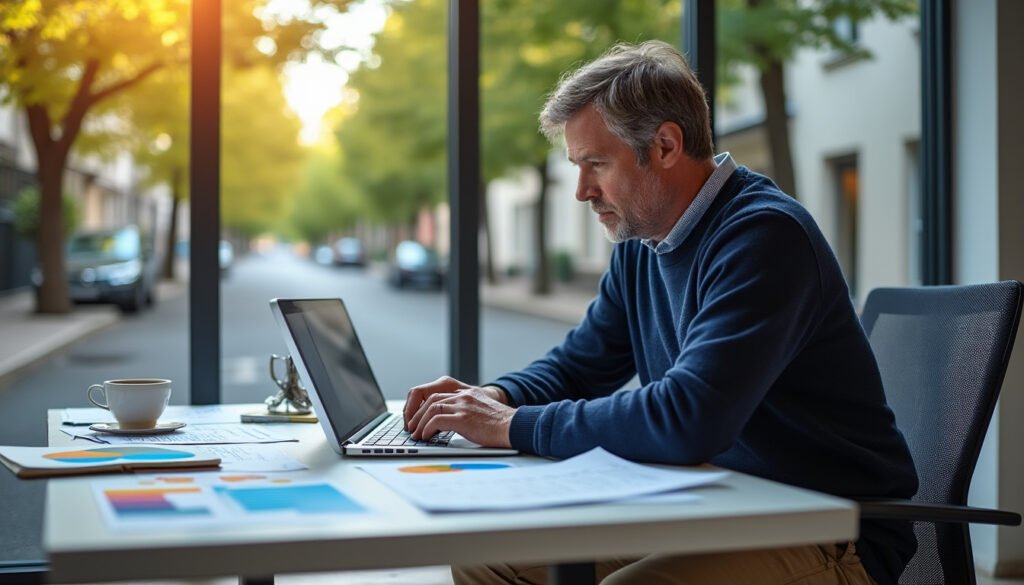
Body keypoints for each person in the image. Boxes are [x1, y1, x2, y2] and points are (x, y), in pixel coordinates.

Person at [403, 40, 917, 585]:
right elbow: (581, 364)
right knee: (488, 557)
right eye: (577, 167)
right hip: (721, 501)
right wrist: (494, 398)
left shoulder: (765, 237)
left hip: (831, 526)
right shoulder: (641, 243)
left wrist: (512, 426)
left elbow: (688, 417)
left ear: (666, 145)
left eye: (596, 164)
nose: (582, 191)